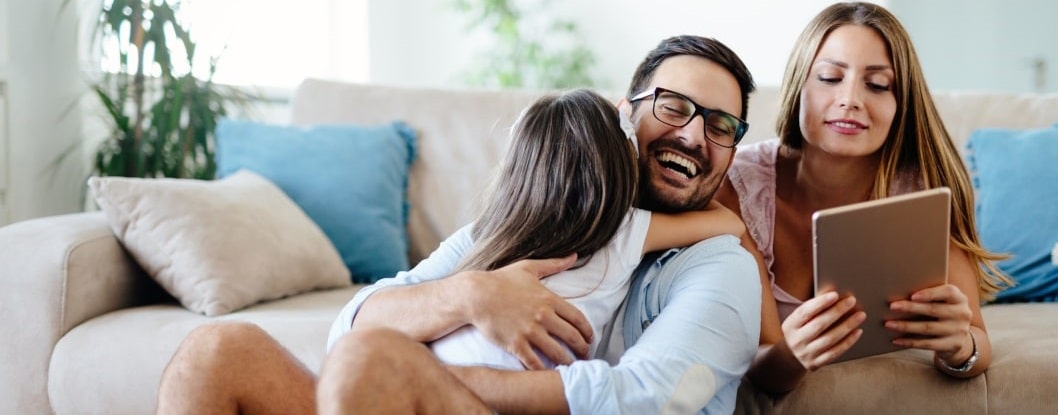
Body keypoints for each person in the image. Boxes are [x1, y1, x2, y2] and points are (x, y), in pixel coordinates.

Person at [156, 35, 761, 415]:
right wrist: (472, 294)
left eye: (722, 127)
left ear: (734, 150)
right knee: (216, 352)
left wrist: (422, 375)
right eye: (674, 107)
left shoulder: (717, 264)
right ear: (625, 116)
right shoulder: (517, 231)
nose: (691, 134)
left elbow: (656, 401)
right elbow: (353, 324)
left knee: (373, 364)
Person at [713, 1, 1014, 395]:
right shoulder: (738, 185)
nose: (850, 99)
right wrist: (793, 354)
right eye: (829, 77)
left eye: (877, 85)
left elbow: (976, 344)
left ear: (900, 103)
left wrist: (959, 347)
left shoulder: (924, 191)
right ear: (798, 85)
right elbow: (762, 374)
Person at [409, 88, 745, 371]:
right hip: (507, 390)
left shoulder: (493, 234)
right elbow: (730, 223)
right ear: (619, 171)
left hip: (439, 369)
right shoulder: (623, 232)